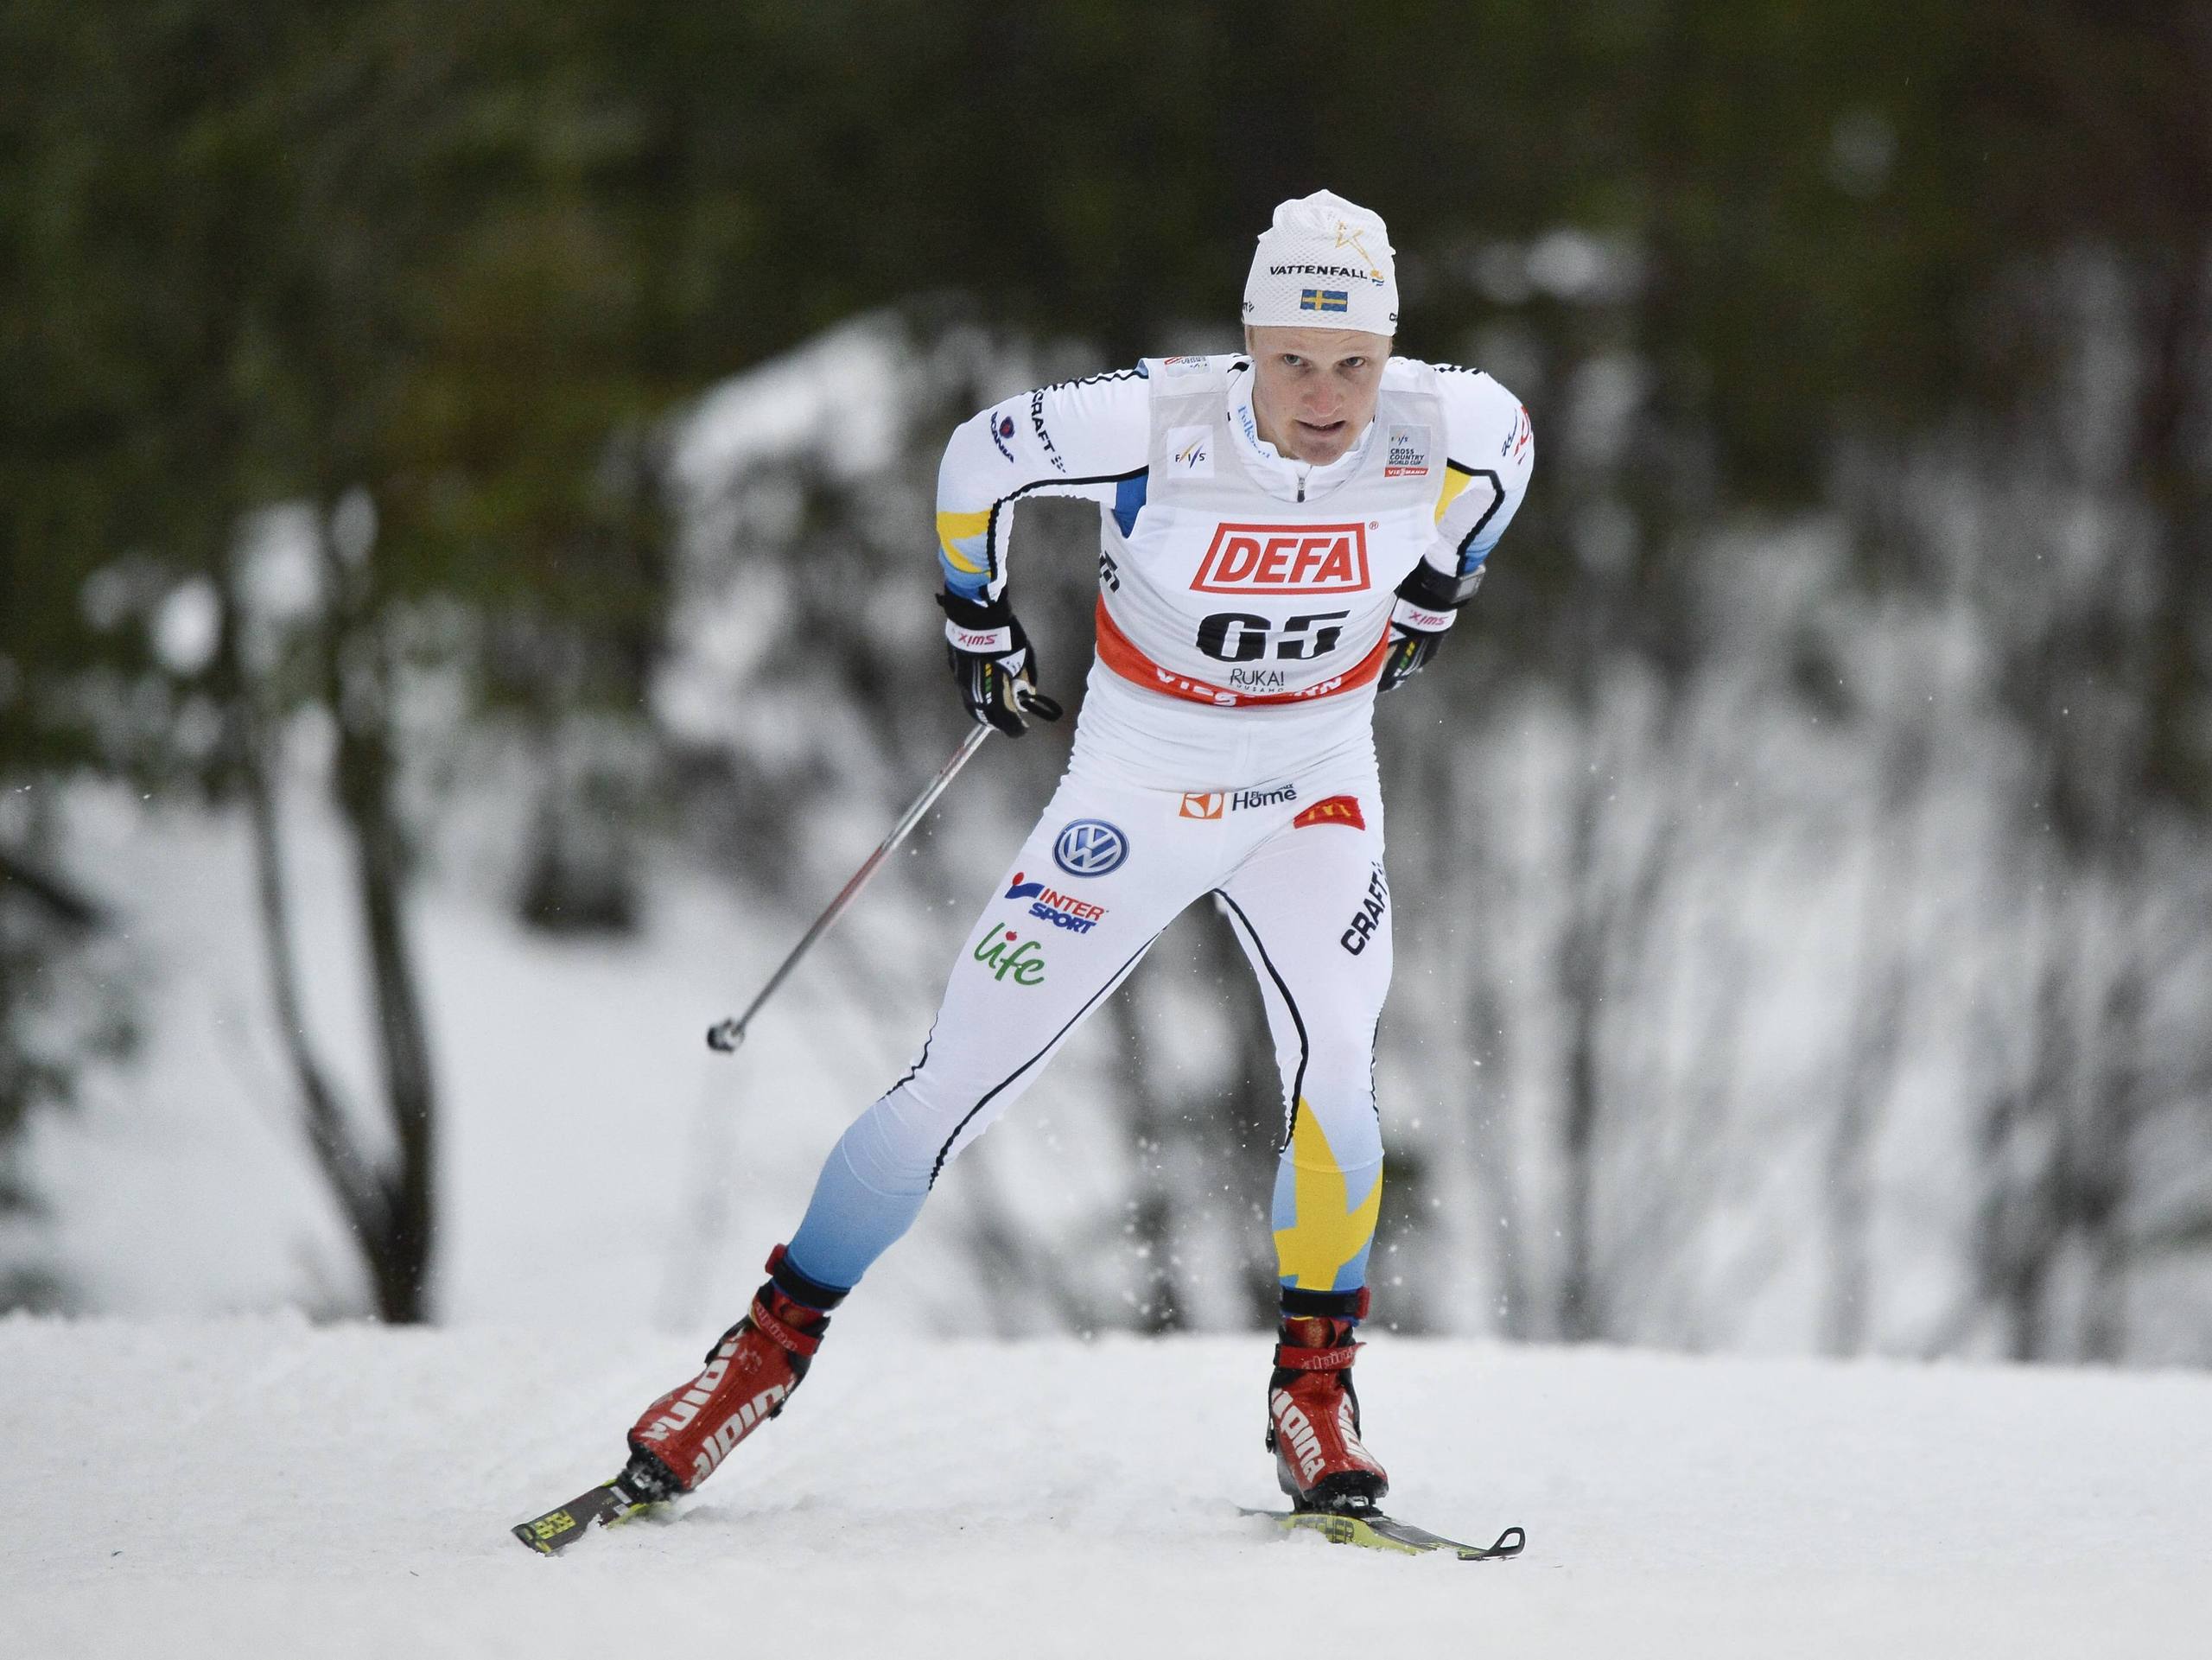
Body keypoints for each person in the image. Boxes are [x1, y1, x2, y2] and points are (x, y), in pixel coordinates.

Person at [622, 190, 1534, 1517]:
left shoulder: (1445, 420)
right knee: (954, 1081)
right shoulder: (1159, 420)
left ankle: (1315, 1393)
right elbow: (977, 456)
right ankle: (755, 1357)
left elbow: (1509, 456)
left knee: (1338, 1054)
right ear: (1248, 343)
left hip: (1313, 785)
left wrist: (1446, 575)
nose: (1327, 397)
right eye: (1293, 360)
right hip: (1138, 785)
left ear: (1390, 357)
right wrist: (975, 619)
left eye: (1355, 364)